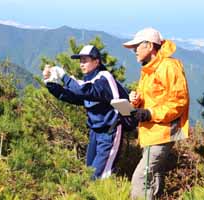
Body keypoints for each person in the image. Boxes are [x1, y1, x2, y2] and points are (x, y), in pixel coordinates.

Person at [42, 45, 130, 179]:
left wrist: (64, 76)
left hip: (109, 132)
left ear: (96, 61)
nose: (81, 64)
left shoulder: (104, 78)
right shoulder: (89, 81)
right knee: (89, 171)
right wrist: (51, 84)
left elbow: (84, 91)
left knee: (100, 175)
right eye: (80, 60)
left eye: (85, 60)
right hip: (95, 132)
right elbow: (73, 97)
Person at [123, 27, 189, 199]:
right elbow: (151, 99)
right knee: (154, 174)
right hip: (151, 132)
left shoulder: (168, 66)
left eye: (137, 46)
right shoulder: (148, 68)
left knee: (141, 177)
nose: (134, 50)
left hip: (163, 131)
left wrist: (149, 113)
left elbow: (178, 102)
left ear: (149, 45)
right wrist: (135, 101)